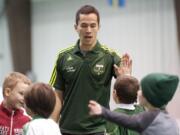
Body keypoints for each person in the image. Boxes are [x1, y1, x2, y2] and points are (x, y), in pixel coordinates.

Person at [49, 4, 132, 135]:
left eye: (93, 25)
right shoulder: (63, 56)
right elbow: (57, 96)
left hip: (99, 130)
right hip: (66, 129)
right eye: (84, 25)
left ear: (99, 27)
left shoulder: (110, 56)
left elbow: (127, 90)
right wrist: (52, 127)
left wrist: (126, 76)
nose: (88, 30)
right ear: (76, 27)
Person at [88, 73, 180, 135]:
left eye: (141, 90)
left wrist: (102, 111)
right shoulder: (169, 120)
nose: (138, 92)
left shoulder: (149, 118)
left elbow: (127, 119)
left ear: (148, 96)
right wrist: (126, 77)